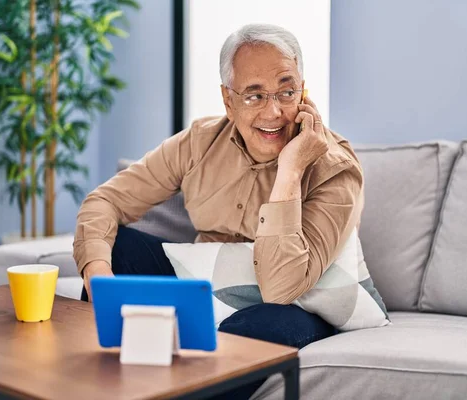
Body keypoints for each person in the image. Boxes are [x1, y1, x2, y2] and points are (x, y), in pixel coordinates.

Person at [73, 23, 364, 399]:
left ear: (303, 93)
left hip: (292, 303)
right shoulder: (199, 142)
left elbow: (281, 288)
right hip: (205, 287)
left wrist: (291, 170)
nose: (274, 111)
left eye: (286, 92)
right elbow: (105, 201)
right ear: (228, 100)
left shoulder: (335, 168)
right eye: (254, 96)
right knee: (117, 249)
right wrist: (99, 276)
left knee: (261, 327)